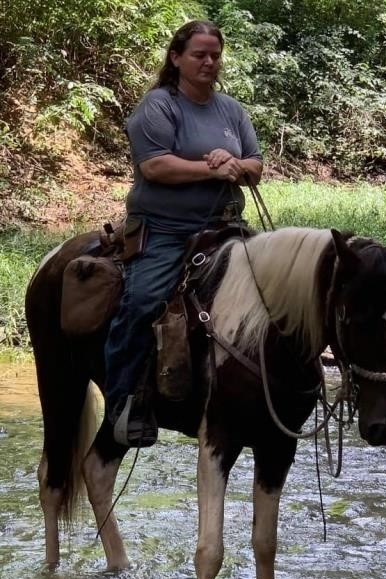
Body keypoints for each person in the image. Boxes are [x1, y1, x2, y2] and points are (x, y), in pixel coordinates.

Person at [105, 19, 263, 447]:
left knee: (276, 291)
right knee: (141, 302)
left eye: (215, 55)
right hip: (166, 231)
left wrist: (233, 161)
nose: (209, 62)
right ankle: (124, 403)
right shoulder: (158, 106)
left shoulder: (231, 110)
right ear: (176, 58)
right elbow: (155, 166)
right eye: (199, 54)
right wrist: (212, 166)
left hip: (226, 228)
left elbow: (255, 166)